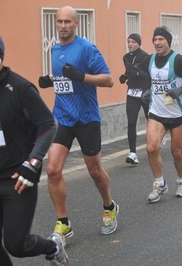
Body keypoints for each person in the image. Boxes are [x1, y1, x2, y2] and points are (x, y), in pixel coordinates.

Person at [0, 32, 68, 265]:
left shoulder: (20, 88)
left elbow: (48, 124)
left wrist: (32, 163)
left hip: (17, 178)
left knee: (17, 245)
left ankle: (53, 246)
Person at [38, 6, 119, 238]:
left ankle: (109, 207)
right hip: (63, 117)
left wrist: (81, 76)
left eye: (67, 22)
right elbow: (65, 78)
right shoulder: (53, 49)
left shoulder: (87, 49)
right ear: (56, 23)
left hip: (86, 119)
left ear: (76, 24)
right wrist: (51, 81)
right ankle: (64, 222)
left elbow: (109, 80)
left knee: (95, 171)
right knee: (53, 170)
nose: (63, 26)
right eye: (59, 21)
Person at [140, 26, 182, 202]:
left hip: (176, 114)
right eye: (155, 40)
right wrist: (147, 91)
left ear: (168, 41)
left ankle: (181, 181)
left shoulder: (179, 60)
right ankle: (159, 183)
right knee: (151, 148)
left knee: (177, 152)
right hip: (156, 112)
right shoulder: (149, 60)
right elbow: (150, 80)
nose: (157, 43)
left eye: (161, 40)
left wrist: (180, 90)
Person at [119, 33, 150, 164]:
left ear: (139, 43)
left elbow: (149, 75)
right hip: (132, 93)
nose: (130, 44)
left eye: (133, 42)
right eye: (128, 41)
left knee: (152, 120)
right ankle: (132, 153)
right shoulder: (125, 57)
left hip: (144, 93)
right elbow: (128, 70)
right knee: (131, 122)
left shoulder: (145, 57)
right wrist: (124, 77)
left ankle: (159, 137)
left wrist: (137, 73)